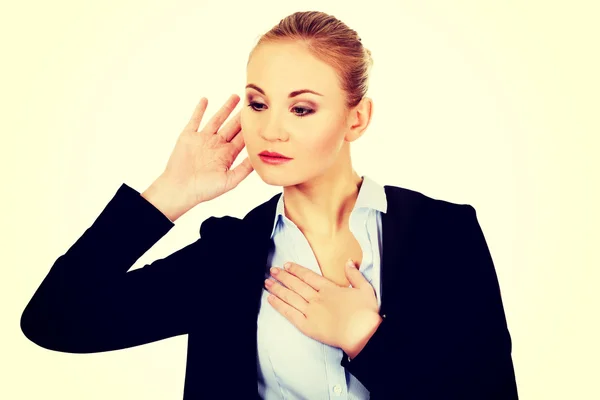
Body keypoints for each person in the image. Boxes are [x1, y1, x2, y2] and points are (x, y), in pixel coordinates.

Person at [20, 10, 518, 400]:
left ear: (357, 119)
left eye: (301, 108)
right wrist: (169, 194)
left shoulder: (444, 232)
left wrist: (365, 337)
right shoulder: (229, 253)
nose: (270, 129)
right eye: (258, 104)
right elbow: (57, 320)